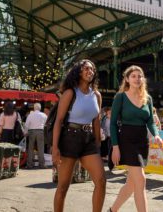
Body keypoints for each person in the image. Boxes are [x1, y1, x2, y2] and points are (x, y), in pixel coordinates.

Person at [52, 59, 106, 212]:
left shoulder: (97, 95)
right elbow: (59, 121)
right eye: (86, 69)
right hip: (69, 138)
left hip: (88, 140)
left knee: (101, 181)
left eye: (92, 69)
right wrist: (55, 148)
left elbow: (96, 121)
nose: (90, 71)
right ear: (78, 72)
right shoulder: (70, 93)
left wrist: (97, 145)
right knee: (63, 186)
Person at [109, 65, 163, 212]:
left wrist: (156, 135)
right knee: (141, 180)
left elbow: (150, 121)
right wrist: (115, 147)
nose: (137, 79)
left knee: (132, 184)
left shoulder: (148, 99)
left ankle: (112, 210)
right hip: (126, 139)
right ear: (127, 79)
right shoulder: (120, 97)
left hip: (142, 141)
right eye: (133, 76)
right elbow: (113, 124)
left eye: (140, 76)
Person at [24, 103, 47, 169]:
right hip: (40, 131)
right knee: (41, 148)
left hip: (31, 132)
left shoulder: (30, 115)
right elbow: (46, 124)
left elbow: (26, 124)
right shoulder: (44, 115)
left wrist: (25, 132)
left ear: (34, 108)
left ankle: (30, 165)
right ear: (40, 108)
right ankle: (42, 164)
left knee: (30, 148)